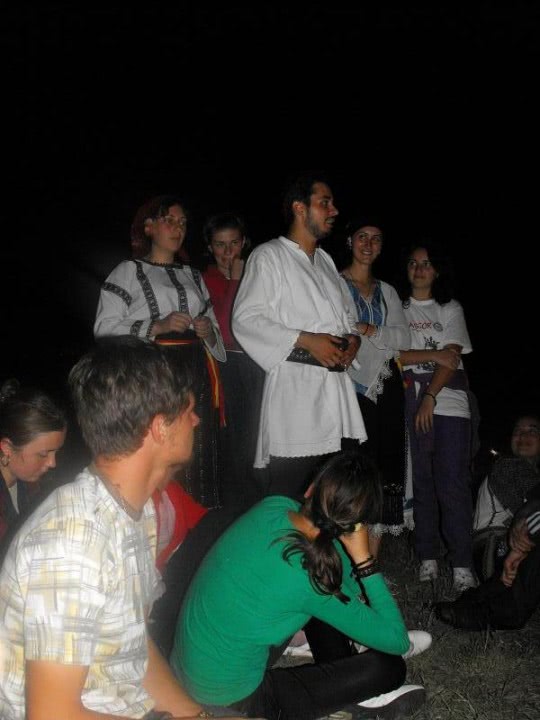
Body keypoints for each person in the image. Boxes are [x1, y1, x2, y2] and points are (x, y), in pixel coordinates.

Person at [0, 336, 258, 720]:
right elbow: (52, 714)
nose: (197, 420)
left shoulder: (137, 513)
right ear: (160, 428)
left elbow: (134, 646)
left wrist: (196, 716)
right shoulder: (71, 542)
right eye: (189, 410)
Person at [171, 451, 427, 720]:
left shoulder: (275, 506)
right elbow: (398, 641)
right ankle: (358, 697)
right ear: (356, 526)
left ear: (310, 489)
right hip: (228, 701)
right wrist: (365, 562)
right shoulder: (313, 575)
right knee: (389, 669)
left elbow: (336, 569)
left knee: (319, 595)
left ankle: (349, 654)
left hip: (187, 670)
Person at [232, 172, 366, 500]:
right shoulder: (269, 256)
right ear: (299, 208)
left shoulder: (326, 261)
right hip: (295, 400)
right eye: (325, 203)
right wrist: (306, 339)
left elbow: (347, 319)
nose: (334, 211)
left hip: (336, 396)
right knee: (289, 497)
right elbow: (246, 320)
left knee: (331, 498)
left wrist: (354, 340)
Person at [94, 194, 226, 508]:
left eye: (183, 223)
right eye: (170, 221)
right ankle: (158, 518)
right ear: (149, 227)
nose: (178, 228)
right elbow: (104, 327)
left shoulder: (193, 275)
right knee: (160, 445)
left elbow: (214, 330)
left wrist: (207, 330)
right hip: (154, 374)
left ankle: (201, 518)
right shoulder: (128, 271)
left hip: (196, 371)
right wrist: (157, 325)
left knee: (198, 446)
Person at [399, 241, 477, 593]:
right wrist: (429, 357)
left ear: (438, 270)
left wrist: (430, 396)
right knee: (422, 482)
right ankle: (427, 557)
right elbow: (393, 355)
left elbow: (452, 355)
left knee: (453, 483)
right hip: (410, 400)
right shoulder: (397, 308)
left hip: (450, 404)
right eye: (413, 263)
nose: (419, 269)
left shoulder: (449, 308)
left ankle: (462, 564)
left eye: (427, 263)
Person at [340, 216, 412, 557]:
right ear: (350, 241)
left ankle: (371, 565)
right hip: (345, 383)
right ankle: (345, 561)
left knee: (385, 469)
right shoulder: (333, 282)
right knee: (350, 468)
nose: (368, 244)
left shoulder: (388, 291)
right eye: (362, 236)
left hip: (386, 387)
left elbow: (403, 337)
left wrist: (369, 330)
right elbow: (334, 327)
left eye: (376, 238)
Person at [202, 213, 265, 511]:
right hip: (229, 364)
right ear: (210, 248)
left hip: (260, 363)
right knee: (239, 440)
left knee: (262, 437)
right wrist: (236, 279)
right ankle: (238, 508)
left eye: (234, 244)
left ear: (244, 243)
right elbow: (227, 330)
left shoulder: (258, 273)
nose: (228, 252)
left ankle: (263, 503)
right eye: (220, 245)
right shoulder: (207, 279)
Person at [435, 480, 540, 631]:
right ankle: (484, 599)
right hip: (496, 542)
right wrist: (521, 544)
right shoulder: (511, 471)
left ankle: (499, 607)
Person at [0, 378, 67, 562]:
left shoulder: (34, 485)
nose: (52, 463)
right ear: (7, 448)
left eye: (56, 452)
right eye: (43, 454)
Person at [472, 414, 540, 581]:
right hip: (494, 549)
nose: (523, 436)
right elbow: (529, 511)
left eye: (532, 431)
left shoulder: (530, 474)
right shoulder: (508, 465)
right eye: (518, 431)